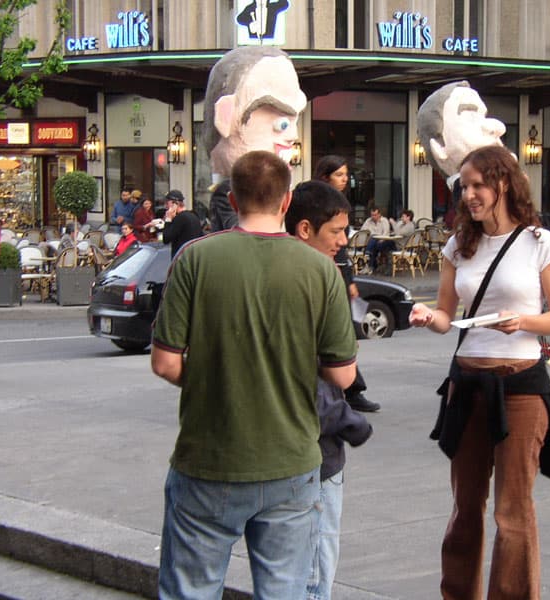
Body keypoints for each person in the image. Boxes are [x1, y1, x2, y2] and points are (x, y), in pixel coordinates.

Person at [151, 150, 357, 599]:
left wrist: (213, 377)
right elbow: (343, 376)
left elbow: (165, 362)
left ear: (232, 199)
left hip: (208, 460)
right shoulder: (321, 270)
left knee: (189, 589)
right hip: (292, 463)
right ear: (286, 202)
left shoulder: (194, 258)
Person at [409, 145, 550, 600]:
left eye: (478, 185)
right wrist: (428, 316)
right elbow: (447, 316)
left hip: (520, 387)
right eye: (464, 186)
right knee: (465, 507)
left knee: (513, 512)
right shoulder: (458, 245)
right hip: (467, 384)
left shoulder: (540, 242)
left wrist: (524, 321)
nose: (469, 195)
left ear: (504, 184)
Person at [284, 180, 373, 600]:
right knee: (314, 567)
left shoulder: (264, 271)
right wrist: (348, 421)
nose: (343, 241)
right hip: (315, 451)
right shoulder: (318, 280)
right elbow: (338, 376)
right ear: (305, 228)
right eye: (336, 231)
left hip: (271, 449)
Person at [203, 47, 307, 232]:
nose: (293, 136)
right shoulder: (228, 191)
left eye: (295, 121)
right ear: (226, 117)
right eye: (281, 124)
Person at [313, 155, 381, 413]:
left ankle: (350, 388)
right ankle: (349, 388)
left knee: (340, 332)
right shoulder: (319, 202)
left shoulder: (339, 203)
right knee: (336, 333)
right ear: (325, 176)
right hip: (326, 271)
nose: (344, 179)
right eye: (339, 174)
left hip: (338, 271)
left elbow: (341, 248)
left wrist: (349, 278)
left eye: (345, 174)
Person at [162, 190, 204, 259]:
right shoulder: (193, 216)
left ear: (175, 204)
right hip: (194, 257)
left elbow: (166, 239)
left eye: (167, 203)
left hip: (182, 259)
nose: (165, 206)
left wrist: (168, 219)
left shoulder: (180, 218)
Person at [361, 207, 391, 272]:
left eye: (375, 215)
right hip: (371, 241)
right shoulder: (368, 221)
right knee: (373, 241)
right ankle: (371, 265)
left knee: (374, 241)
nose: (373, 217)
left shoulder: (384, 221)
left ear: (379, 214)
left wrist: (381, 239)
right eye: (372, 215)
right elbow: (363, 231)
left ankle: (368, 262)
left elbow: (386, 233)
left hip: (383, 241)